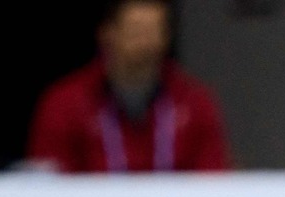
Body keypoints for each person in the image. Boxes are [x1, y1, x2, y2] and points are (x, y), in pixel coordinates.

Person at [26, 0, 230, 173]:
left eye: (154, 31)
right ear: (107, 34)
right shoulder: (65, 103)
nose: (146, 43)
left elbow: (213, 180)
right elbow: (47, 185)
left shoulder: (194, 101)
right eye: (136, 31)